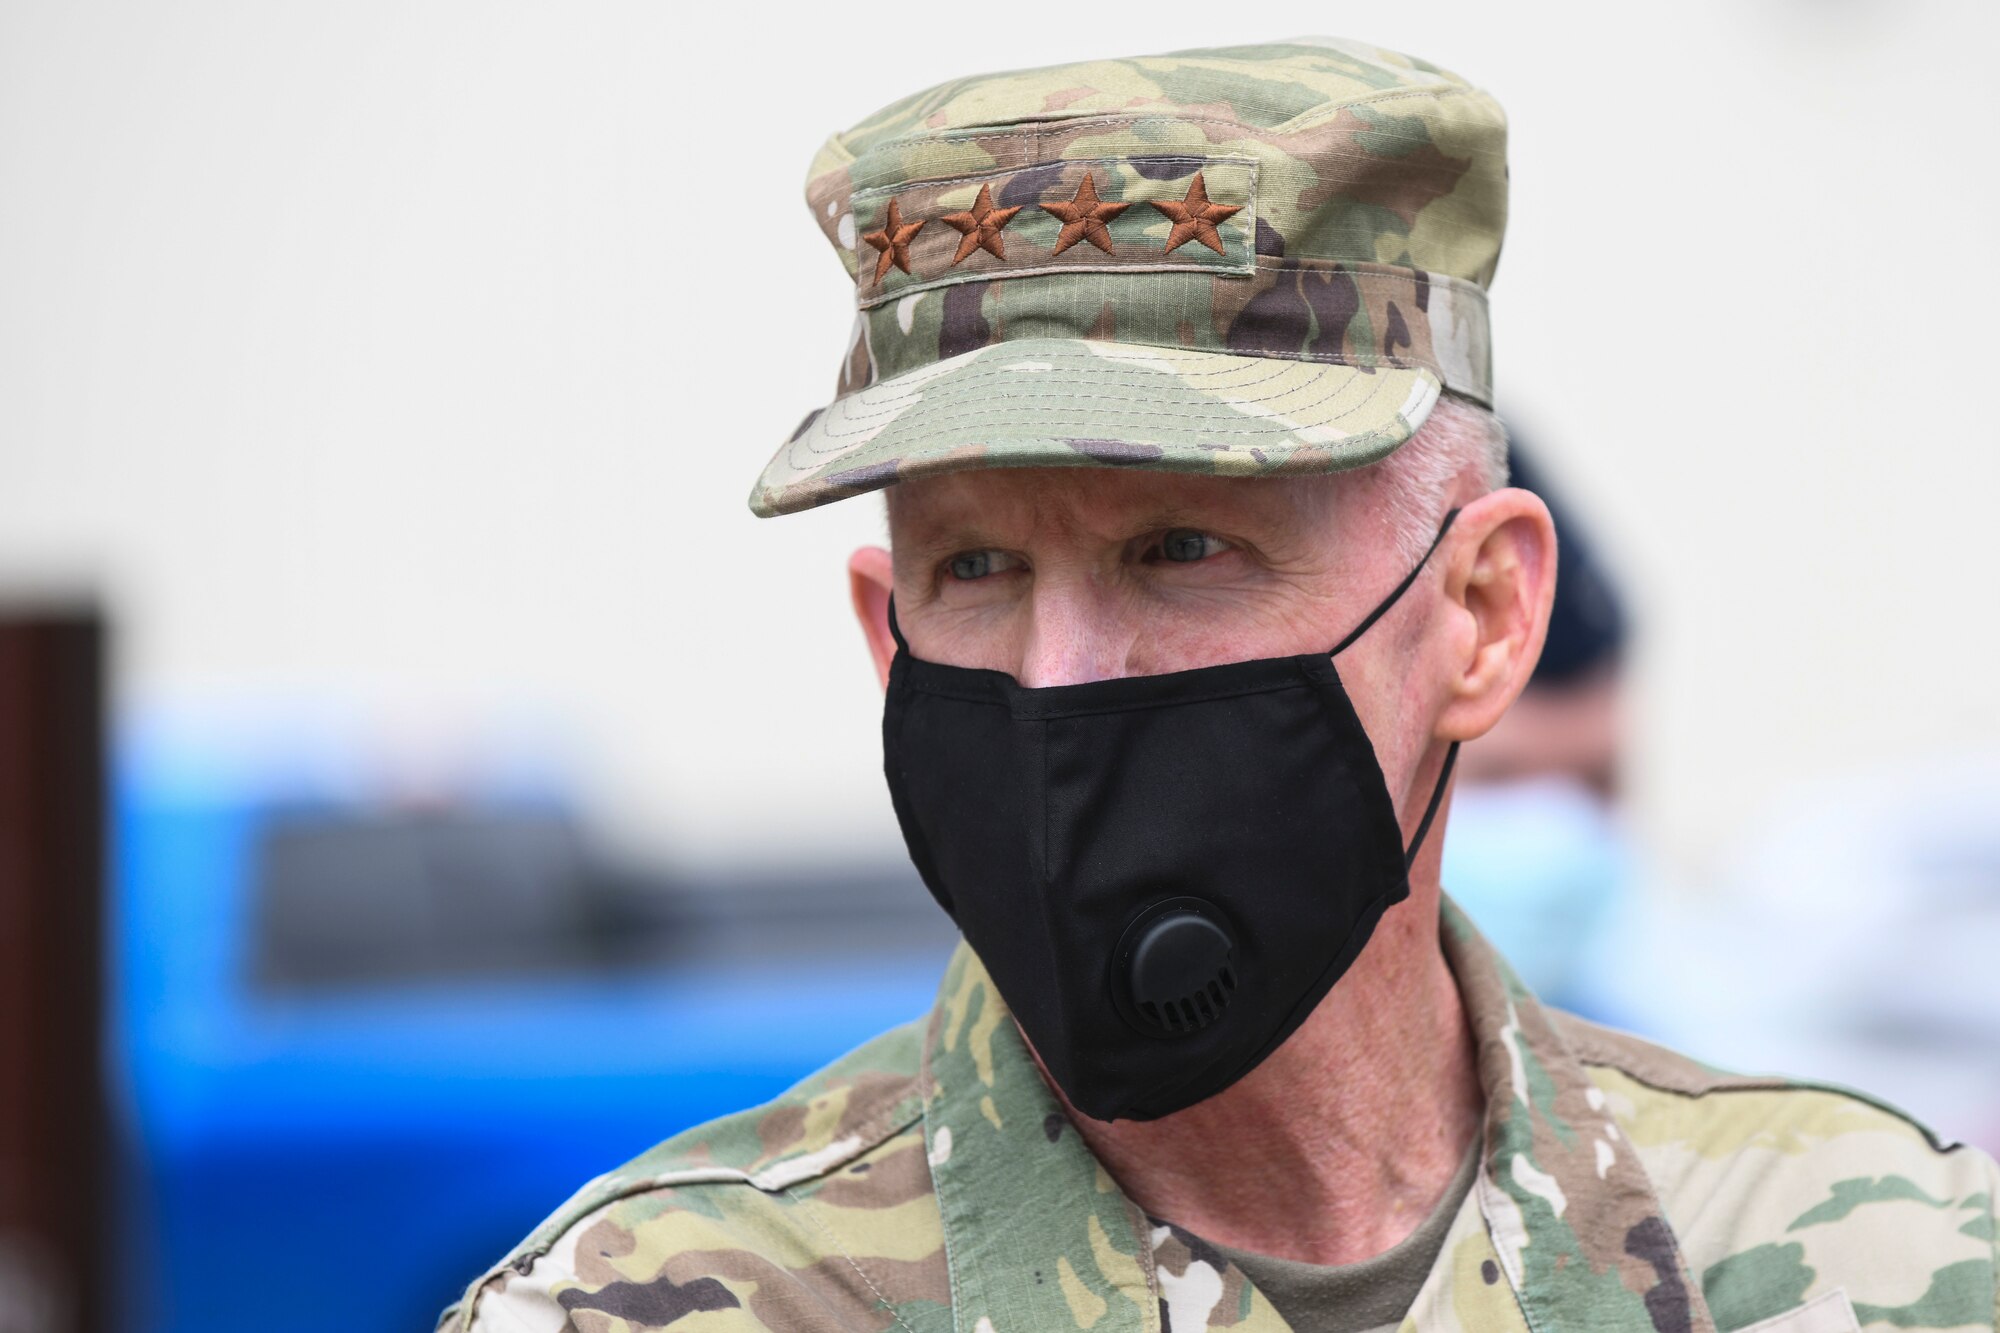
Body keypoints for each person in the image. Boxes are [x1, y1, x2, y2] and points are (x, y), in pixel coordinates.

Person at [438, 40, 1999, 1333]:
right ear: (883, 633)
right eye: (974, 569)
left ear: (1482, 615)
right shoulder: (664, 1307)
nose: (1056, 680)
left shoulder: (1878, 1261)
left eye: (1180, 545)